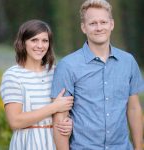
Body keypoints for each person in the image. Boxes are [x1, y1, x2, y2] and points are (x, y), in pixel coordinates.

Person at [51, 0, 144, 150]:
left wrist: (139, 147)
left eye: (103, 22)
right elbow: (60, 120)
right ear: (83, 27)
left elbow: (133, 108)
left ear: (111, 24)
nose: (99, 27)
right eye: (93, 23)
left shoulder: (128, 62)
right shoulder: (68, 66)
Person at [0, 19, 74, 150]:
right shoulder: (13, 76)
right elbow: (15, 121)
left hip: (56, 143)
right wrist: (53, 107)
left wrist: (68, 123)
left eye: (45, 41)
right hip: (27, 144)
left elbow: (66, 110)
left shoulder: (56, 72)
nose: (40, 45)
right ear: (23, 43)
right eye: (34, 40)